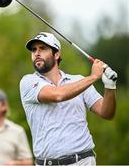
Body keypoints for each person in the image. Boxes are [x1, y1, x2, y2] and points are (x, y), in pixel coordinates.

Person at [19, 32, 117, 165]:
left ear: (57, 54)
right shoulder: (28, 82)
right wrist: (93, 77)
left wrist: (110, 87)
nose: (36, 53)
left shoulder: (79, 81)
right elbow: (58, 95)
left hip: (82, 161)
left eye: (43, 48)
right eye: (34, 50)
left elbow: (107, 113)